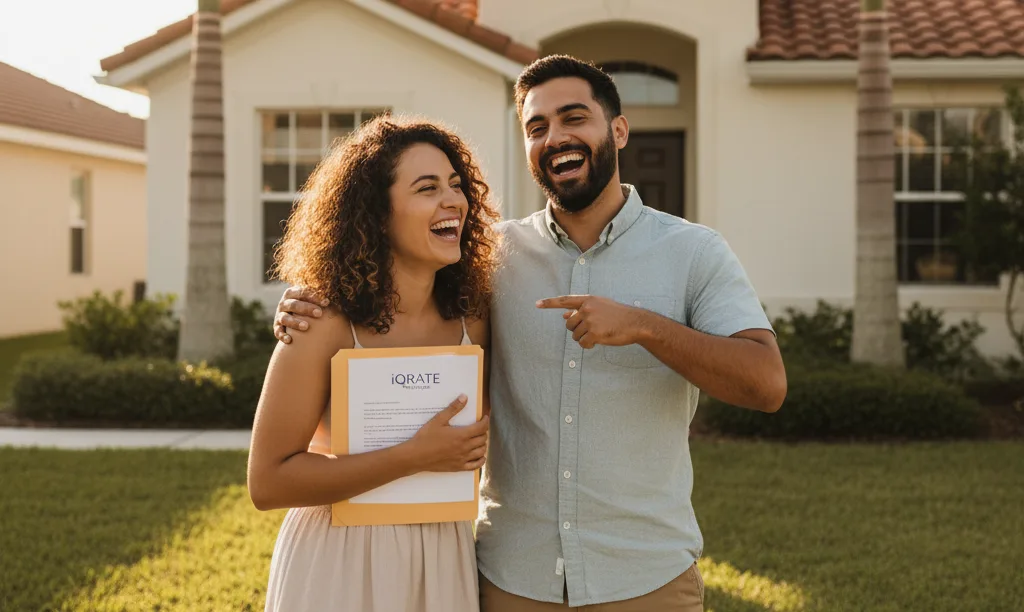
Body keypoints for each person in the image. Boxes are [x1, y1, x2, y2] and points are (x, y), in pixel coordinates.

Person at [273, 55, 787, 612]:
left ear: (617, 129)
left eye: (574, 118)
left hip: (647, 578)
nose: (555, 137)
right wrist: (315, 294)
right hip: (515, 580)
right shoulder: (488, 259)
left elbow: (766, 385)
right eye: (536, 127)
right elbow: (391, 271)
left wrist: (643, 326)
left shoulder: (695, 252)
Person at [247, 114, 501, 611]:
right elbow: (267, 481)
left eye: (456, 184)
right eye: (427, 188)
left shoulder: (478, 318)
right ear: (376, 216)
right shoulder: (321, 323)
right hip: (338, 560)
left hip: (442, 554)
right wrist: (415, 455)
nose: (453, 200)